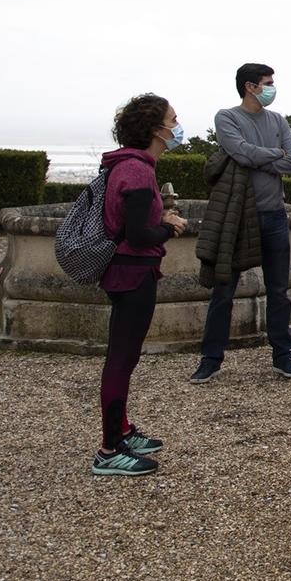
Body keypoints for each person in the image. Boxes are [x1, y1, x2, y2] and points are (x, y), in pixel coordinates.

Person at [190, 63, 291, 382]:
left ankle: (283, 355)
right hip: (238, 217)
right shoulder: (226, 117)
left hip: (274, 216)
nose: (272, 88)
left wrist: (262, 157)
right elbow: (239, 153)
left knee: (279, 291)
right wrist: (275, 154)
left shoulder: (278, 120)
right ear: (250, 86)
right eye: (267, 83)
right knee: (223, 291)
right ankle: (211, 359)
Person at [94, 94, 189, 476]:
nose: (177, 126)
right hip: (132, 273)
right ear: (156, 129)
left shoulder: (130, 166)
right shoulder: (136, 171)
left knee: (125, 356)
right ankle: (109, 449)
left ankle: (122, 431)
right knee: (121, 358)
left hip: (129, 271)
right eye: (173, 120)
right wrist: (169, 226)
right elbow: (137, 233)